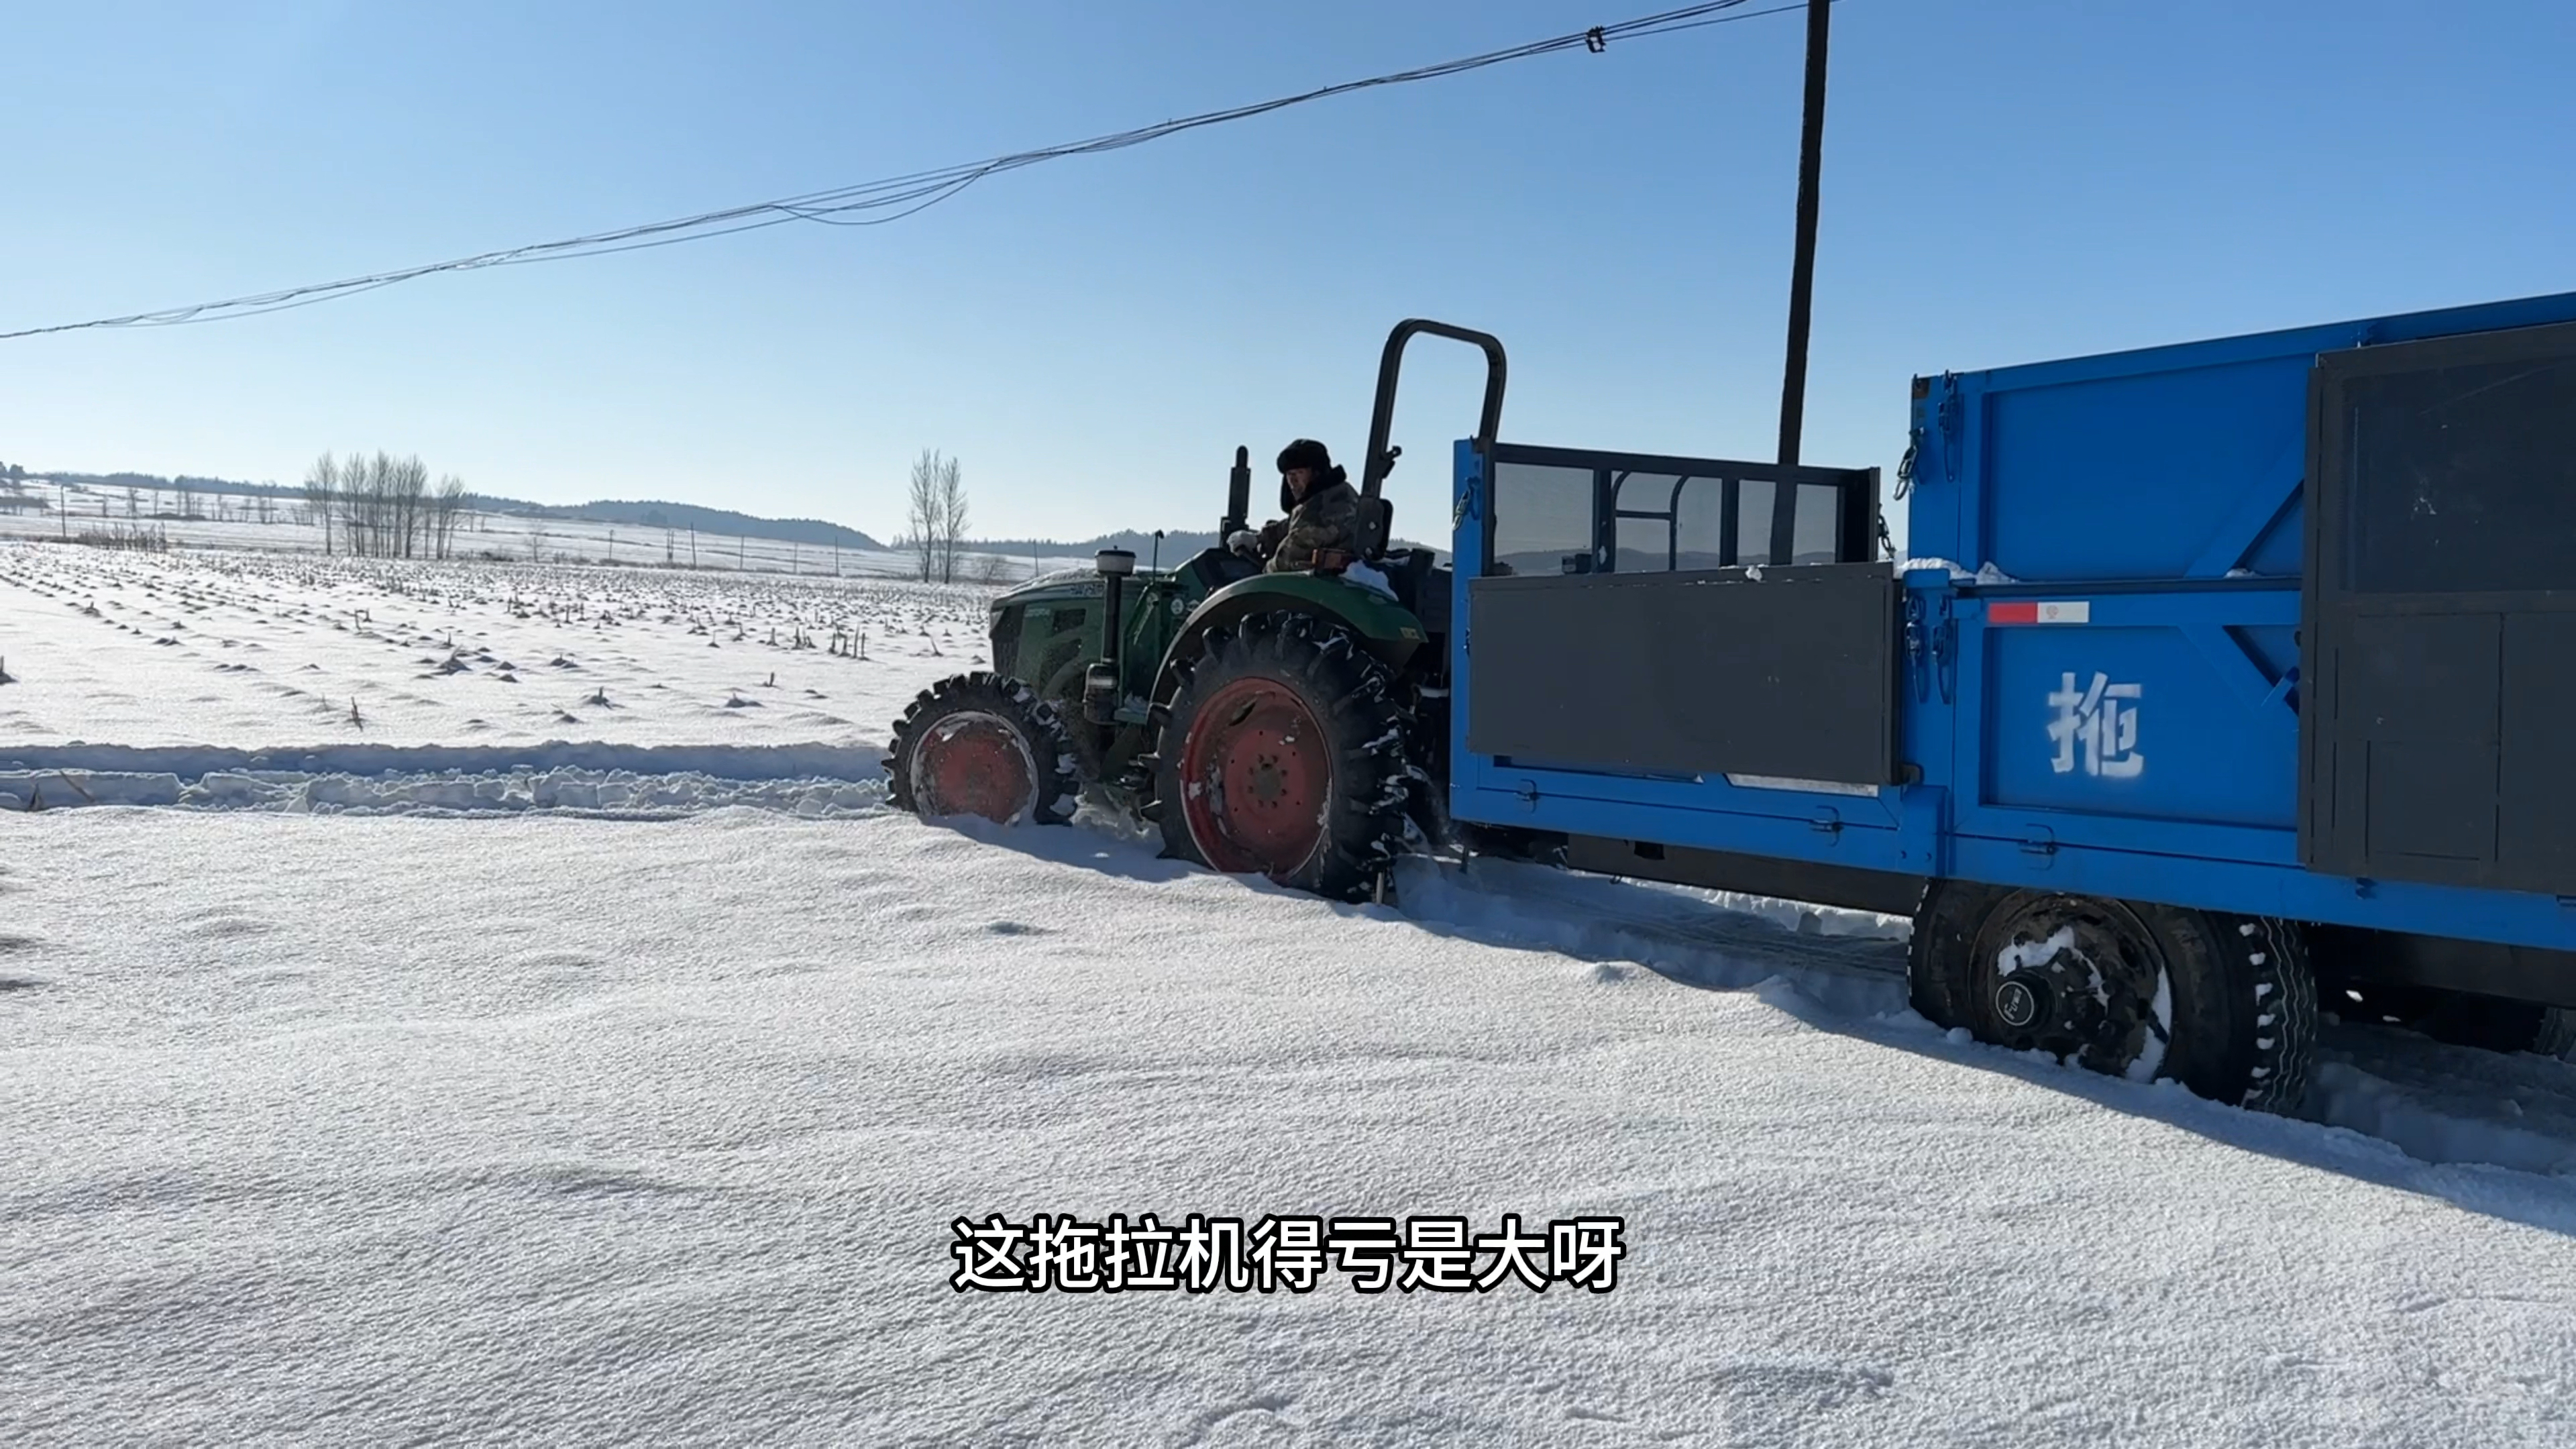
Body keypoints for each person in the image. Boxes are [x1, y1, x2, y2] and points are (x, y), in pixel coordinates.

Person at [1234, 438, 1361, 574]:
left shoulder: (1325, 510)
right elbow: (1291, 524)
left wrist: (1261, 571)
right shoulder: (1332, 495)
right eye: (1290, 475)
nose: (1293, 482)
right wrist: (1258, 538)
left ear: (1317, 473)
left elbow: (1284, 563)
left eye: (1299, 473)